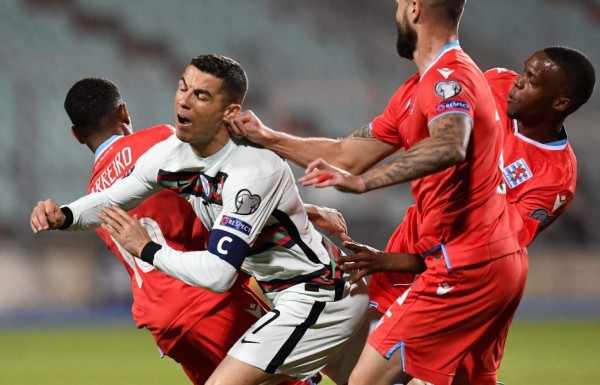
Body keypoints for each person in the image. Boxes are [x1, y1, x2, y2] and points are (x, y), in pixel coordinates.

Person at [228, 1, 534, 384]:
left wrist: (366, 183)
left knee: (364, 379)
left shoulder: (450, 76)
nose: (396, 13)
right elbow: (346, 155)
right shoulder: (416, 89)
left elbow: (450, 143)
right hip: (470, 257)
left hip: (468, 263)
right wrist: (267, 137)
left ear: (415, 8)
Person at [30, 55, 369, 385]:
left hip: (319, 294)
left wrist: (148, 249)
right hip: (277, 294)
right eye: (182, 88)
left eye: (201, 95)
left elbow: (221, 273)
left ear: (230, 111)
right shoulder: (169, 152)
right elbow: (110, 198)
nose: (185, 101)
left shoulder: (253, 167)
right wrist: (64, 215)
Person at [352, 45, 596, 320]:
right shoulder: (495, 83)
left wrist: (387, 261)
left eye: (532, 81)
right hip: (404, 249)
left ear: (560, 103)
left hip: (449, 288)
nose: (518, 80)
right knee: (350, 353)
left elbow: (485, 254)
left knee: (380, 358)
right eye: (524, 70)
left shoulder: (556, 180)